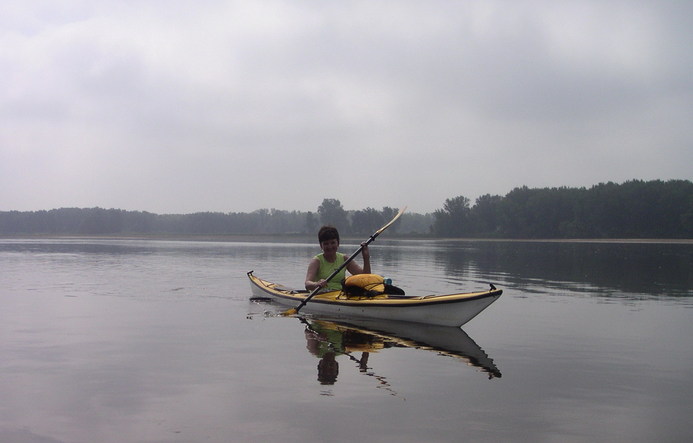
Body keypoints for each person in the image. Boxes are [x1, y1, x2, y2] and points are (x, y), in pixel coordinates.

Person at [305, 225, 370, 292]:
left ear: (338, 243)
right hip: (321, 295)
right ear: (321, 246)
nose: (330, 246)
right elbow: (307, 284)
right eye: (326, 244)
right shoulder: (316, 261)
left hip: (338, 296)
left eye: (333, 243)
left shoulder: (344, 259)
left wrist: (366, 258)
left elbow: (366, 279)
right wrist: (316, 284)